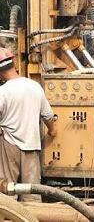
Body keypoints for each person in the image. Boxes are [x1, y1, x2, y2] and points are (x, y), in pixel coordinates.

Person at [0, 47, 57, 201]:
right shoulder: (34, 86)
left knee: (7, 190)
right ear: (14, 64)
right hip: (31, 144)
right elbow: (48, 115)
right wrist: (52, 130)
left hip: (9, 144)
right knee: (31, 192)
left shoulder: (3, 92)